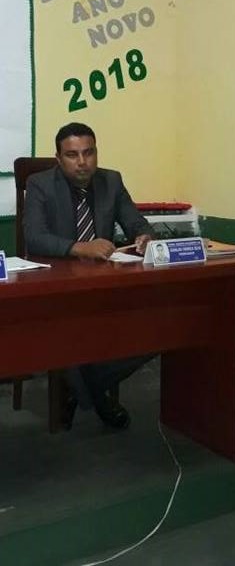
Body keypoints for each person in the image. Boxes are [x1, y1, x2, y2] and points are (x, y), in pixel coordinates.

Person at [24, 122, 155, 430]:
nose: (82, 162)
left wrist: (144, 236)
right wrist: (80, 247)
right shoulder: (40, 184)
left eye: (89, 153)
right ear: (59, 158)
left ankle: (80, 390)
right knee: (65, 328)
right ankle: (98, 397)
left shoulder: (111, 180)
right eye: (72, 155)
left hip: (103, 284)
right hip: (55, 287)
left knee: (152, 328)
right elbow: (35, 238)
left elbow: (136, 222)